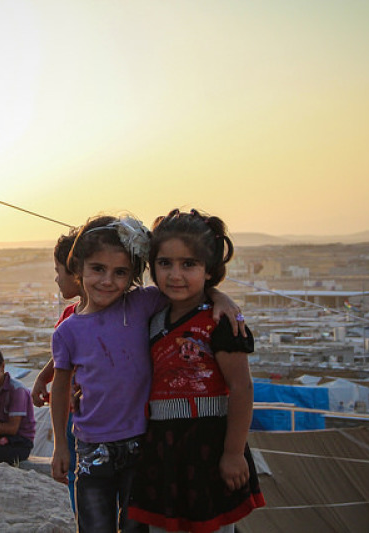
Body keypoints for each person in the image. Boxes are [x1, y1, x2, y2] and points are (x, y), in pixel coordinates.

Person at [50, 214, 244, 533]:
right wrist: (61, 445)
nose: (108, 281)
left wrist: (221, 297)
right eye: (98, 269)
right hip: (92, 446)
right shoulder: (67, 331)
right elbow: (60, 388)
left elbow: (186, 290)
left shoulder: (140, 305)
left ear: (133, 276)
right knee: (94, 523)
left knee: (137, 526)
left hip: (143, 446)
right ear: (78, 268)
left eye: (120, 273)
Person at [128, 209, 265, 532]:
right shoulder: (152, 319)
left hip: (209, 444)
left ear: (209, 270)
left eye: (188, 264)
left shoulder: (221, 323)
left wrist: (233, 453)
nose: (175, 274)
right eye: (165, 263)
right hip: (162, 447)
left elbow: (242, 388)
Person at [32, 228, 85, 512]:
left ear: (76, 271)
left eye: (58, 270)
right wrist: (43, 376)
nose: (56, 278)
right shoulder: (69, 316)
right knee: (77, 481)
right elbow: (61, 360)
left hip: (101, 417)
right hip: (72, 415)